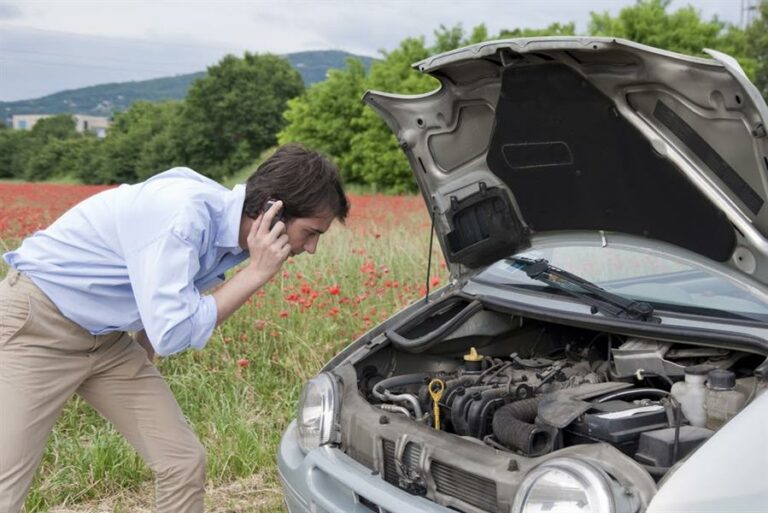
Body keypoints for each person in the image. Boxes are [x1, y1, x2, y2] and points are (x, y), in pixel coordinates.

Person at [0, 143, 349, 513]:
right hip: (39, 326)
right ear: (271, 211)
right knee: (6, 483)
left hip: (105, 340)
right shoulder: (184, 216)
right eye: (311, 232)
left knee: (182, 462)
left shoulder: (228, 236)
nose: (310, 248)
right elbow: (173, 333)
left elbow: (168, 296)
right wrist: (256, 275)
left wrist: (141, 350)